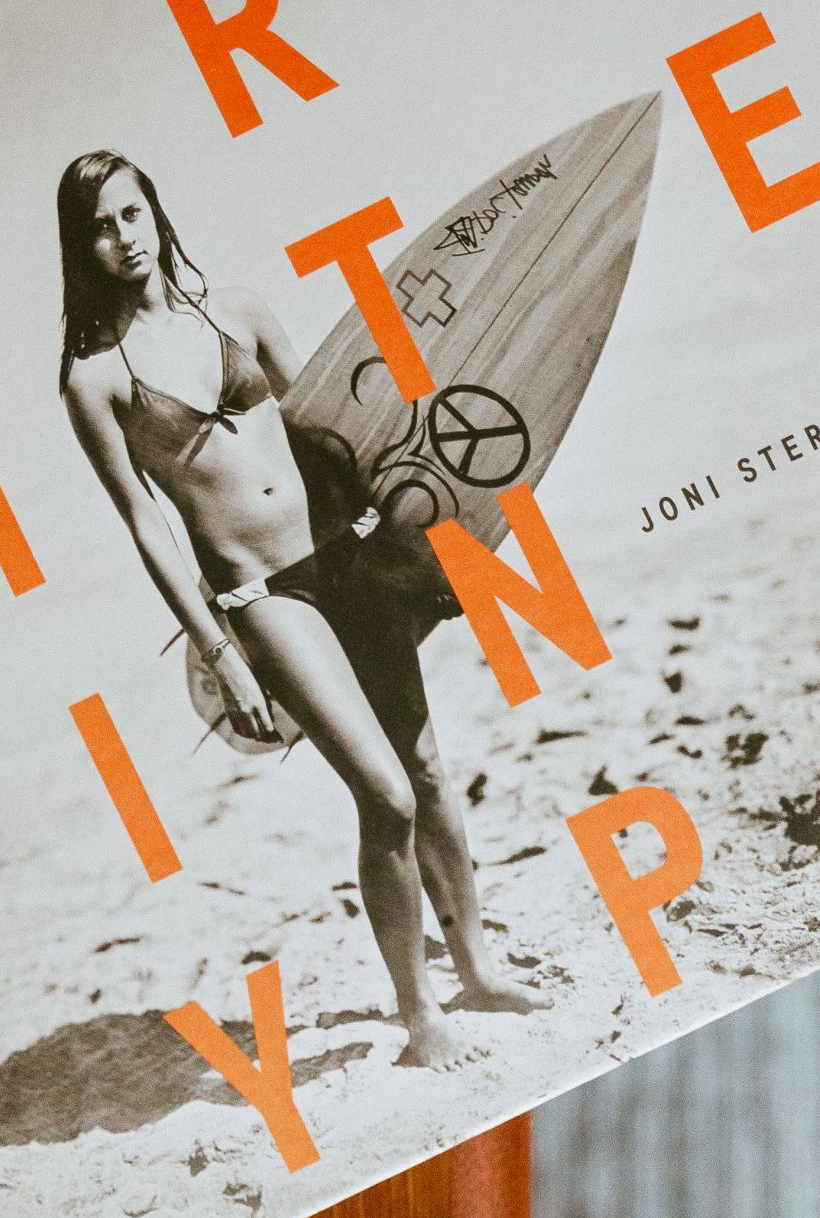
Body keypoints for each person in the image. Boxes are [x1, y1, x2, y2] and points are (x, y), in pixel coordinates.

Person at [57, 150, 542, 1069]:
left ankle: (477, 967)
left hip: (349, 562)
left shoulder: (235, 311)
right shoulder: (95, 379)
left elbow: (340, 426)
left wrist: (419, 531)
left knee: (430, 772)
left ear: (155, 212)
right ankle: (419, 1015)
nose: (122, 239)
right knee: (385, 793)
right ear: (80, 249)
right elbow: (148, 527)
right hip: (265, 597)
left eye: (131, 214)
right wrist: (221, 650)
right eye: (99, 228)